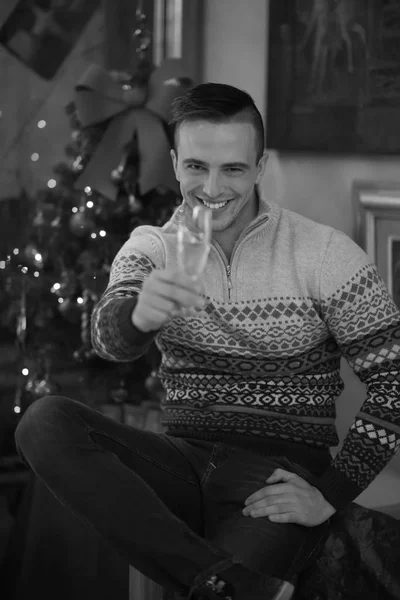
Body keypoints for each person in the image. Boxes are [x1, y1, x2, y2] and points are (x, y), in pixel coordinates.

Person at [15, 83, 400, 600]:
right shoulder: (151, 247)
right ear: (175, 164)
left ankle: (219, 582)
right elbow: (109, 339)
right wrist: (139, 315)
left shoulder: (325, 254)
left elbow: (394, 378)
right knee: (44, 422)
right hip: (179, 460)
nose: (211, 187)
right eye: (196, 166)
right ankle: (230, 585)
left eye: (233, 169)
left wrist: (330, 494)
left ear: (260, 167)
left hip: (274, 479)